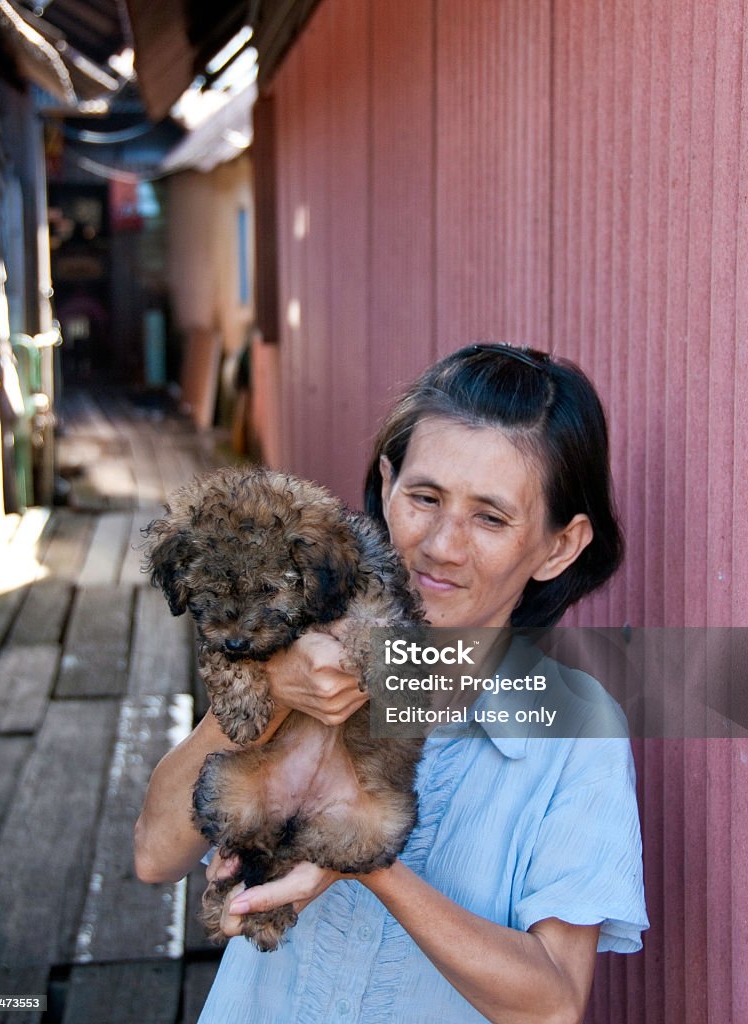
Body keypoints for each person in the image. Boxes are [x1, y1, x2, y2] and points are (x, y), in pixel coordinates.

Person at [135, 343, 648, 1024]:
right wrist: (269, 697)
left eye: (490, 517)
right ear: (384, 486)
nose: (440, 544)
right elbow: (154, 856)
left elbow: (550, 1004)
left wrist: (363, 858)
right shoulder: (304, 644)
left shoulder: (578, 729)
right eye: (424, 497)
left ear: (559, 545)